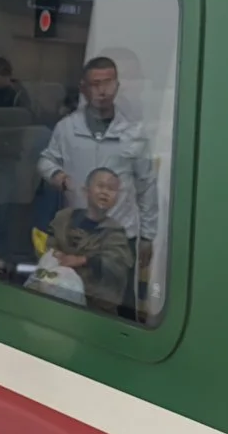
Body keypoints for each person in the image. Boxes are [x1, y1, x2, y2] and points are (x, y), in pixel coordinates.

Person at [37, 55, 158, 299]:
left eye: (108, 83)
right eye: (95, 84)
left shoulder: (133, 133)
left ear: (117, 86)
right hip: (76, 234)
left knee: (120, 302)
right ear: (83, 88)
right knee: (74, 299)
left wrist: (147, 236)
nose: (103, 91)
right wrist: (58, 176)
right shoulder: (67, 128)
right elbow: (45, 160)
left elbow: (146, 185)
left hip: (120, 236)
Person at [36, 166, 135, 315]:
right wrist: (55, 255)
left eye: (111, 189)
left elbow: (117, 264)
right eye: (100, 186)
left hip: (94, 307)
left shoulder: (115, 232)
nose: (105, 192)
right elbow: (50, 242)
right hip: (54, 292)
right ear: (86, 190)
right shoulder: (64, 218)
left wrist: (82, 260)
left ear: (116, 198)